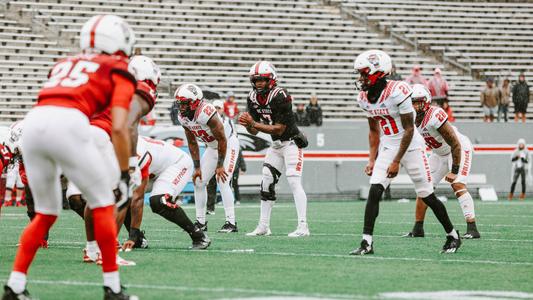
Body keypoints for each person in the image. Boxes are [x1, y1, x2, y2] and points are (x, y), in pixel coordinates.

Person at [3, 15, 138, 299]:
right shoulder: (118, 66)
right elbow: (119, 125)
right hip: (68, 123)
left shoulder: (65, 62)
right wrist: (125, 174)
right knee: (103, 202)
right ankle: (113, 287)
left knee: (45, 213)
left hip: (33, 125)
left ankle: (14, 286)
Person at [350, 50, 461, 255]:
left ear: (378, 72)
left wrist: (396, 161)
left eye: (364, 73)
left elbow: (409, 129)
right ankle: (367, 242)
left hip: (411, 145)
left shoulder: (398, 90)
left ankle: (453, 235)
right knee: (375, 191)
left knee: (426, 194)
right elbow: (374, 131)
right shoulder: (363, 97)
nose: (361, 78)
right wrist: (371, 159)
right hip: (388, 144)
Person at [66, 55, 161, 266]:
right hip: (102, 137)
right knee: (122, 194)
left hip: (79, 135)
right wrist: (131, 162)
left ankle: (91, 250)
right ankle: (108, 253)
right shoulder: (141, 89)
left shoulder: (109, 83)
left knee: (94, 198)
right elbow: (128, 125)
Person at [239, 61, 310, 237]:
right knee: (266, 181)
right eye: (256, 80)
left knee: (294, 181)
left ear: (271, 79)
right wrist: (248, 124)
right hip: (276, 145)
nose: (259, 83)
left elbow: (280, 128)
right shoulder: (253, 97)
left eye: (262, 80)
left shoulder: (281, 95)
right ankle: (263, 226)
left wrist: (253, 123)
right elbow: (254, 129)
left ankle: (303, 226)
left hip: (292, 143)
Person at [404, 84, 480, 239]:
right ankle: (418, 228)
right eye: (414, 102)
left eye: (419, 101)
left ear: (427, 101)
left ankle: (472, 228)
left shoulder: (435, 114)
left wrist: (454, 169)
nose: (416, 105)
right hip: (439, 154)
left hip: (458, 149)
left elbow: (454, 143)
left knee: (457, 184)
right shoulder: (410, 118)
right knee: (423, 187)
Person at [121, 136, 210, 250]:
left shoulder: (137, 153)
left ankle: (199, 236)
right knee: (122, 197)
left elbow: (138, 198)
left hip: (176, 164)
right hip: (153, 169)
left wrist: (132, 234)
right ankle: (138, 240)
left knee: (159, 201)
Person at [176, 83, 240, 233]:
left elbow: (222, 139)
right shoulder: (183, 117)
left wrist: (220, 165)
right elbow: (192, 142)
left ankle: (231, 223)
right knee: (198, 181)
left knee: (222, 179)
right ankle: (200, 222)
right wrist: (197, 167)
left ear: (195, 102)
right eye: (180, 104)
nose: (181, 107)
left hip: (228, 143)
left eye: (185, 103)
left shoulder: (206, 111)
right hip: (212, 147)